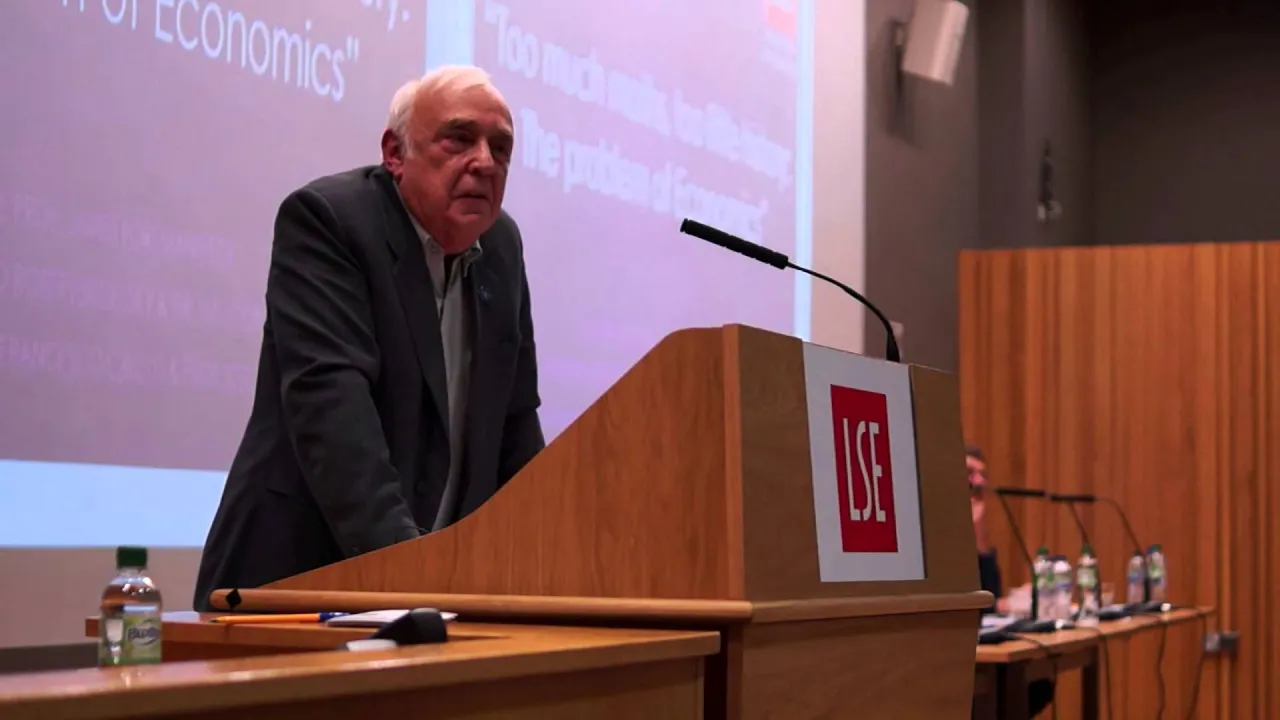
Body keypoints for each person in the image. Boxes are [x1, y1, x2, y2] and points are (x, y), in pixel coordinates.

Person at [193, 65, 544, 610]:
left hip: (439, 600)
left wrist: (543, 566)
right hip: (299, 580)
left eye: (501, 147)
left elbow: (516, 424)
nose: (484, 161)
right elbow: (334, 414)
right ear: (395, 153)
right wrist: (415, 580)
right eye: (458, 139)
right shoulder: (329, 221)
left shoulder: (501, 245)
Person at [966, 444, 1054, 718]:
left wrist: (978, 536)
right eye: (969, 473)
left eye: (983, 475)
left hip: (979, 646)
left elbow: (989, 597)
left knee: (1039, 682)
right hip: (948, 655)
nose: (979, 482)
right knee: (1014, 688)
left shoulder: (975, 522)